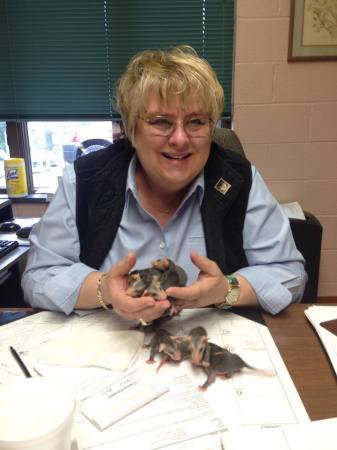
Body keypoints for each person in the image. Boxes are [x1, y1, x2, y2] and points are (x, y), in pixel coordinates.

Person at [22, 46, 307, 323]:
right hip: (110, 347)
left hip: (208, 344)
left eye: (196, 122)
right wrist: (104, 289)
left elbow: (289, 273)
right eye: (161, 122)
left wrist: (227, 290)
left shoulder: (239, 181)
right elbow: (38, 275)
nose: (180, 139)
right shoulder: (85, 181)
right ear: (132, 129)